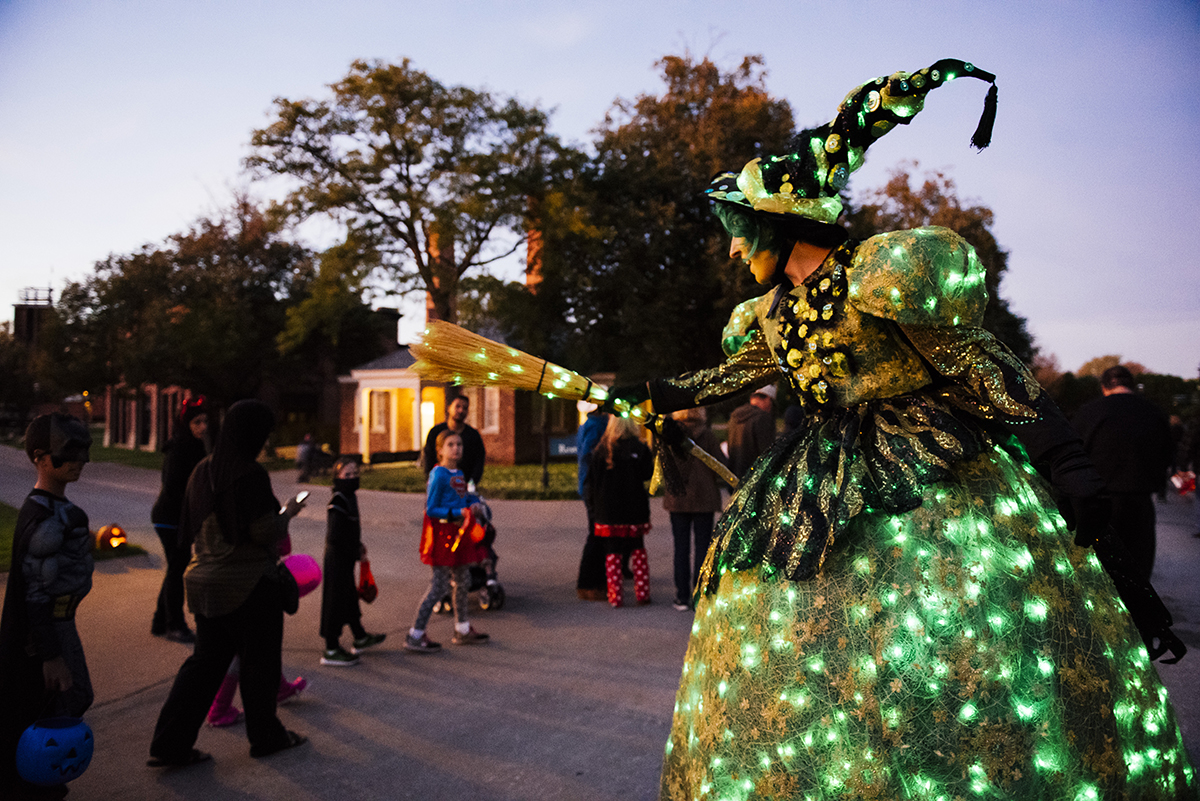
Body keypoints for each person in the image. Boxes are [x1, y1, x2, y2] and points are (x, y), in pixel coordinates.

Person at [603, 60, 1194, 799]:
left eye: (738, 230)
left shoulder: (879, 276)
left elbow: (978, 363)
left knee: (951, 643)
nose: (730, 249)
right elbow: (720, 377)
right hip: (816, 477)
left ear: (782, 222)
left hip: (931, 465)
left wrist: (1065, 458)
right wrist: (650, 392)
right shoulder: (771, 316)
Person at [148, 400, 308, 766]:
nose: (265, 440)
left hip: (204, 582)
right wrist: (287, 514)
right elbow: (262, 531)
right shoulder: (248, 474)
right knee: (260, 663)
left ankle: (169, 743)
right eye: (264, 434)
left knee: (204, 665)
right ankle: (265, 736)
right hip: (247, 584)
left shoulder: (202, 471)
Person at [0, 414, 94, 799]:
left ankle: (41, 784)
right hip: (44, 634)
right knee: (49, 711)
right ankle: (36, 787)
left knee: (65, 703)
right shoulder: (47, 517)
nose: (79, 461)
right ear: (41, 458)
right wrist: (50, 654)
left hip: (55, 627)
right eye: (67, 453)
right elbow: (36, 595)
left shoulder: (58, 511)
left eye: (83, 452)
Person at [1071, 366, 1173, 582]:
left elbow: (1075, 453)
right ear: (1132, 386)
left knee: (1102, 570)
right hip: (1140, 500)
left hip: (1098, 500)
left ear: (1104, 387)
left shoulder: (1089, 412)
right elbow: (1167, 455)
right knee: (1138, 568)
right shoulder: (1154, 412)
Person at [405, 430, 490, 652]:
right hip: (443, 534)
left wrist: (474, 503)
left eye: (459, 444)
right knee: (439, 586)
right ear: (440, 450)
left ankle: (462, 629)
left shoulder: (459, 473)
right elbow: (431, 508)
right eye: (450, 444)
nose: (456, 448)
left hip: (460, 533)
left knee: (463, 581)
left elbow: (462, 496)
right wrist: (458, 512)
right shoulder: (439, 475)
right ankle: (415, 634)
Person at [150, 396, 209, 644]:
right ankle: (174, 624)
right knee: (177, 570)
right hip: (169, 519)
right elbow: (174, 487)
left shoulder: (194, 446)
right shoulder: (179, 449)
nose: (203, 426)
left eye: (205, 421)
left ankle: (160, 621)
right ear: (187, 424)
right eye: (197, 422)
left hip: (180, 520)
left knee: (176, 568)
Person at [319, 456, 386, 665]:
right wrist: (353, 550)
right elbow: (335, 536)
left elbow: (350, 530)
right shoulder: (338, 500)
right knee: (335, 602)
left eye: (355, 474)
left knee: (349, 598)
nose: (352, 478)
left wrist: (358, 546)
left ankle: (360, 636)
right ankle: (331, 648)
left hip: (346, 558)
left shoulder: (350, 497)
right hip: (337, 559)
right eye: (346, 475)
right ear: (337, 477)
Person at [585, 415, 654, 608]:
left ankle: (615, 595)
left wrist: (593, 506)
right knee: (638, 549)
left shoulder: (602, 450)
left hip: (609, 510)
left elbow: (593, 480)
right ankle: (642, 592)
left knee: (613, 552)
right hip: (635, 508)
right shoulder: (640, 448)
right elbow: (648, 473)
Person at [662, 408, 725, 611]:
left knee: (681, 548)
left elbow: (663, 464)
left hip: (677, 498)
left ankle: (681, 597)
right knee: (702, 548)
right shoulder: (706, 435)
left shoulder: (670, 434)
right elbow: (719, 463)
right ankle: (699, 595)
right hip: (704, 498)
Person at [575, 403, 610, 601]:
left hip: (587, 483)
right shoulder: (599, 425)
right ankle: (589, 583)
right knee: (597, 533)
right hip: (594, 485)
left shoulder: (587, 424)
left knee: (596, 532)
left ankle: (593, 582)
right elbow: (588, 453)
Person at [422, 395, 485, 487]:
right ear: (449, 408)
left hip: (464, 483)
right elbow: (428, 455)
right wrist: (430, 478)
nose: (461, 410)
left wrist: (472, 482)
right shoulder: (436, 432)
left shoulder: (473, 435)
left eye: (465, 408)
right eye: (457, 406)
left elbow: (479, 459)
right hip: (441, 482)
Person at [725, 384, 776, 479]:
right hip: (755, 478)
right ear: (768, 399)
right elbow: (766, 452)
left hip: (734, 474)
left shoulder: (735, 416)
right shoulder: (762, 418)